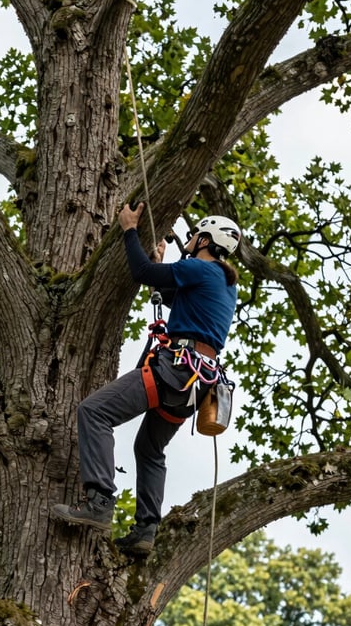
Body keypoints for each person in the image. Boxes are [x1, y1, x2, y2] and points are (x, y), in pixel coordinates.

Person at [51, 201, 240, 555]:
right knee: (150, 449)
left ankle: (98, 502)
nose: (190, 238)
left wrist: (129, 230)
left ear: (204, 241)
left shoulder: (200, 269)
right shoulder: (223, 283)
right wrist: (160, 264)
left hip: (175, 370)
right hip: (196, 385)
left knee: (94, 412)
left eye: (195, 234)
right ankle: (146, 530)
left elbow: (141, 273)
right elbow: (169, 293)